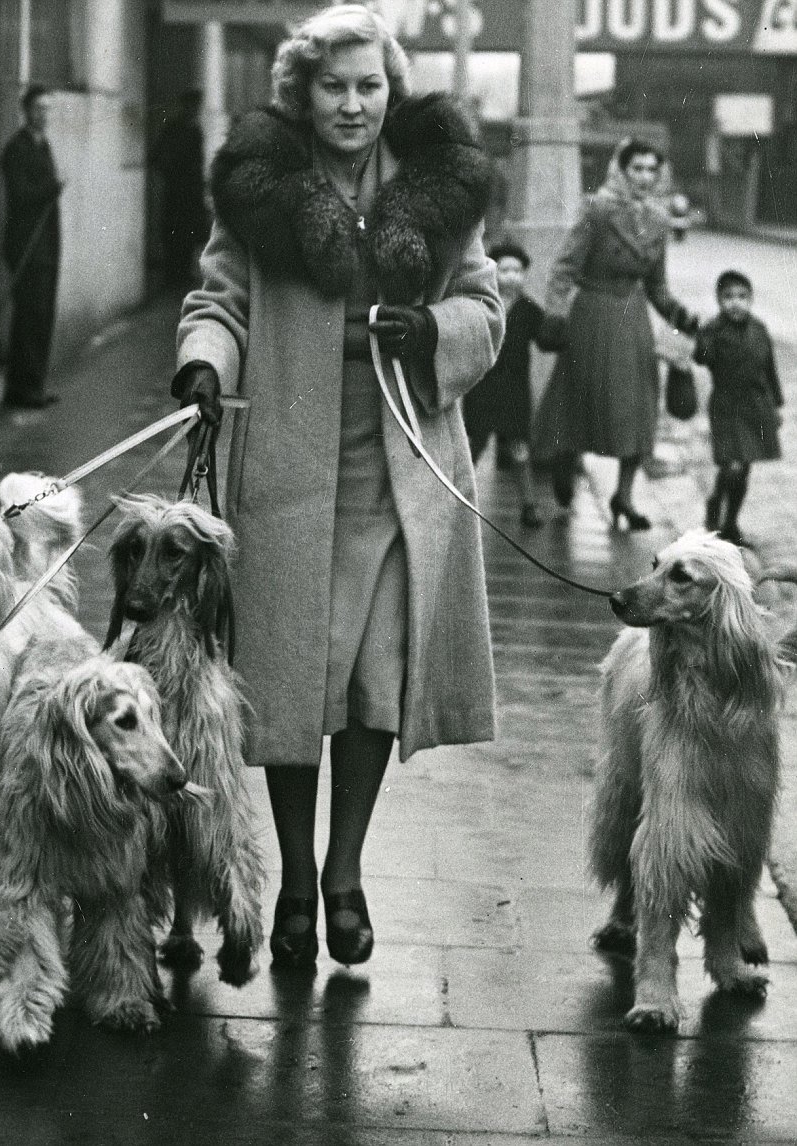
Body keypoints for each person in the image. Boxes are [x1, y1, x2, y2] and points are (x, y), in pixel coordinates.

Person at [172, 4, 502, 969]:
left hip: (405, 478)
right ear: (300, 93)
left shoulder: (441, 188)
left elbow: (487, 305)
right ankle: (293, 878)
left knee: (372, 685)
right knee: (290, 684)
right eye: (333, 86)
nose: (352, 105)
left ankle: (346, 873)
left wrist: (436, 331)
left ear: (391, 90)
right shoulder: (260, 189)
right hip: (289, 471)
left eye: (369, 85)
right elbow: (218, 302)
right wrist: (203, 365)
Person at [532, 138, 702, 530]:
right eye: (637, 168)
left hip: (633, 320)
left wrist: (679, 315)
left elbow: (657, 287)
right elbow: (564, 268)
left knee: (639, 408)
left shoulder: (659, 221)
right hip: (592, 315)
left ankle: (623, 497)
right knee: (582, 397)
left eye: (651, 170)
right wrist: (555, 315)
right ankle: (564, 457)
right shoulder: (597, 210)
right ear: (622, 171)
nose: (644, 177)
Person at [463, 241, 559, 528]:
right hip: (482, 387)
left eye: (518, 271)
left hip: (515, 390)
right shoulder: (482, 303)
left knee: (519, 448)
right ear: (492, 272)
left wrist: (559, 330)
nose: (512, 276)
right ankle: (458, 501)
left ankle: (528, 505)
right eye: (504, 270)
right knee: (473, 447)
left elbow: (544, 339)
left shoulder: (528, 309)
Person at [694, 269, 782, 544]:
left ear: (751, 299)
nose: (736, 302)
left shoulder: (759, 329)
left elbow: (769, 369)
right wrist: (700, 336)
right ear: (719, 300)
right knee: (732, 465)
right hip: (727, 407)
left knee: (744, 469)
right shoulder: (713, 329)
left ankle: (730, 521)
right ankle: (716, 504)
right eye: (728, 296)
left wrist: (776, 404)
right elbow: (701, 358)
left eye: (742, 296)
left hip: (756, 407)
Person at [0, 85, 63, 409]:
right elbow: (21, 195)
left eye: (47, 108)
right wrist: (52, 186)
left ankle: (35, 384)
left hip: (48, 246)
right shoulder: (17, 149)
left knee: (42, 317)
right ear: (26, 110)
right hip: (27, 246)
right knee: (29, 316)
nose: (44, 114)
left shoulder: (43, 146)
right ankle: (21, 389)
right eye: (39, 108)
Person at [157, 89, 210, 289]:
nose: (195, 110)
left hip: (190, 192)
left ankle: (182, 274)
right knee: (174, 233)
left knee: (188, 235)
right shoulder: (174, 129)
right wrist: (172, 172)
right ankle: (173, 275)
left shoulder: (195, 131)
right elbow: (158, 157)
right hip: (177, 191)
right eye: (192, 106)